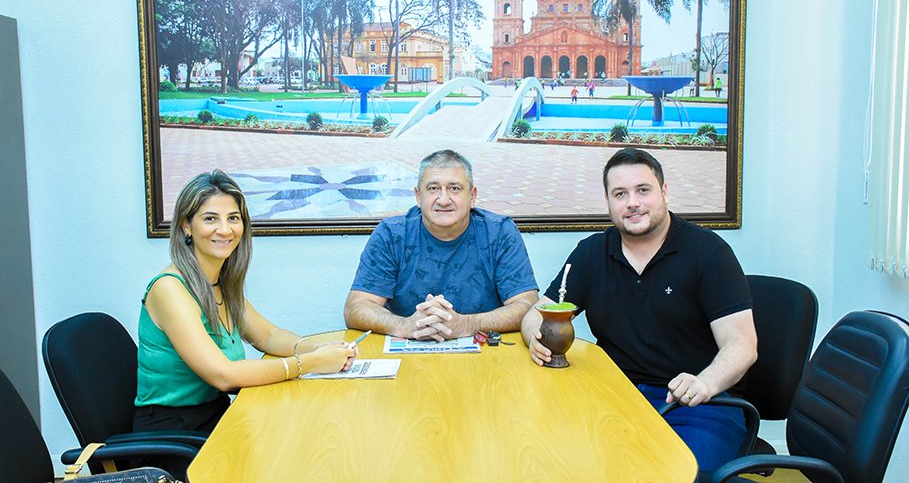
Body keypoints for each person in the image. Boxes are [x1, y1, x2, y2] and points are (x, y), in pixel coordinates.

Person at [521, 148, 757, 472]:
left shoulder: (708, 252)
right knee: (562, 462)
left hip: (699, 404)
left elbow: (742, 344)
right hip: (616, 395)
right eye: (620, 194)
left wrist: (706, 383)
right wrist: (534, 338)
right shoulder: (591, 253)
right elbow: (537, 314)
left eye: (643, 190)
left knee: (679, 474)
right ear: (608, 202)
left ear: (664, 192)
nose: (632, 202)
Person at [134, 170, 357, 459]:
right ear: (186, 226)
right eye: (210, 218)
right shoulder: (170, 289)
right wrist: (311, 363)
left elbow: (268, 336)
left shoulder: (220, 283)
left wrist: (318, 348)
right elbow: (223, 375)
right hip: (171, 438)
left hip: (215, 417)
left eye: (233, 218)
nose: (225, 230)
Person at [344, 149, 539, 341]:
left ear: (472, 196)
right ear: (418, 196)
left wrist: (465, 325)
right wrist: (406, 326)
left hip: (485, 354)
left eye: (454, 188)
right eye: (433, 189)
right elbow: (356, 307)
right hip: (409, 352)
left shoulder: (499, 232)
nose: (444, 200)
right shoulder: (391, 234)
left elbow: (527, 306)